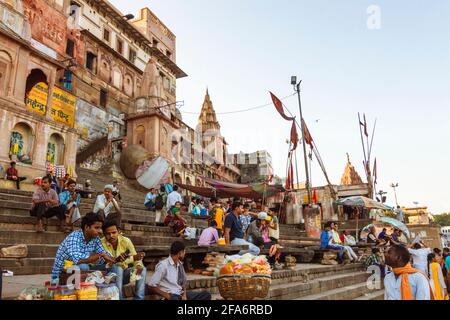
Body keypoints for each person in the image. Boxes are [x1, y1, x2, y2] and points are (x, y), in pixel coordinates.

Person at [51, 212, 115, 282]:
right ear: (86, 227)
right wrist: (101, 255)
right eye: (97, 228)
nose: (100, 231)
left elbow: (104, 255)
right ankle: (78, 290)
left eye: (100, 228)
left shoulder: (95, 238)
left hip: (79, 270)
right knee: (84, 267)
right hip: (61, 275)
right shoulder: (74, 237)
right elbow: (78, 261)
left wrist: (114, 260)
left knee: (112, 267)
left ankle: (117, 292)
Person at [101, 220, 147, 300]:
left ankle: (139, 298)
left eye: (114, 232)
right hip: (108, 276)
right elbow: (111, 262)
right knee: (117, 268)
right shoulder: (101, 243)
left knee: (142, 270)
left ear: (118, 231)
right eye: (108, 234)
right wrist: (132, 258)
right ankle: (119, 298)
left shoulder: (126, 241)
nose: (111, 235)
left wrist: (138, 265)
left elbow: (136, 257)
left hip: (124, 275)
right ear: (104, 234)